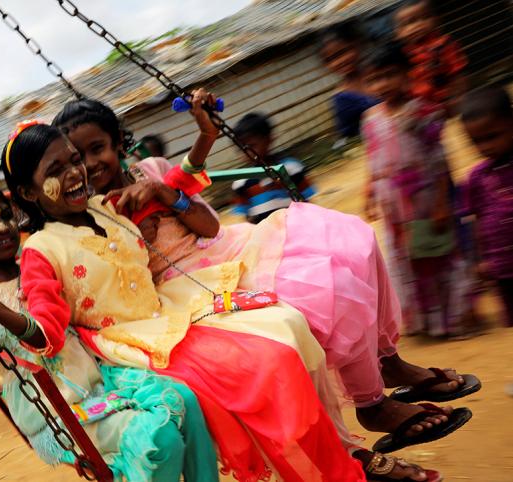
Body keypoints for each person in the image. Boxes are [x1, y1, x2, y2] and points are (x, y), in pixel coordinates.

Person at [53, 93, 478, 457]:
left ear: (117, 144)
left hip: (224, 249)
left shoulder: (154, 171)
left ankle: (389, 361)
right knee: (323, 295)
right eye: (78, 158)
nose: (91, 164)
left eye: (98, 148)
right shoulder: (92, 218)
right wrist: (134, 239)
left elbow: (210, 227)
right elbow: (123, 284)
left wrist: (167, 195)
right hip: (184, 285)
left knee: (354, 240)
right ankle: (371, 404)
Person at [0, 120, 380, 481]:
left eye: (75, 160)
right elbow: (46, 330)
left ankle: (333, 460)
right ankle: (321, 468)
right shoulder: (41, 251)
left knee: (287, 325)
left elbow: (181, 180)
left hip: (170, 312)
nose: (74, 173)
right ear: (29, 193)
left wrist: (203, 136)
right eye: (55, 169)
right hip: (128, 343)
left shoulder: (108, 207)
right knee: (268, 363)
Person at [0, 178, 219, 481]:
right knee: (160, 439)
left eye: (5, 215)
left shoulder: (43, 261)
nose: (1, 228)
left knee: (185, 399)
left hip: (100, 380)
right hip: (54, 412)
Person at [361, 44, 476, 338]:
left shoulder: (424, 111)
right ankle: (421, 320)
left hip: (424, 199)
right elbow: (372, 158)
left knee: (437, 254)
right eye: (375, 79)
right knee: (405, 256)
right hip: (392, 204)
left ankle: (450, 320)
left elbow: (439, 160)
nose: (383, 84)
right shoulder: (370, 119)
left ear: (407, 74)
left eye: (389, 75)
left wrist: (441, 202)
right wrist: (369, 192)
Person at [460, 86, 513, 327]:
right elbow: (476, 221)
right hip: (502, 269)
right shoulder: (477, 178)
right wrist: (479, 259)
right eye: (476, 141)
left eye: (492, 136)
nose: (485, 147)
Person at [231, 112, 317, 223]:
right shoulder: (241, 182)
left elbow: (307, 203)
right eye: (240, 149)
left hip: (296, 227)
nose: (246, 153)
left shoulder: (291, 168)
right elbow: (248, 217)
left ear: (269, 139)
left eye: (251, 146)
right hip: (265, 235)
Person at [394, 0, 468, 114]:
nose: (418, 25)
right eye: (409, 22)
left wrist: (459, 95)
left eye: (425, 18)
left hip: (447, 100)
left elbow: (458, 72)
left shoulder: (445, 44)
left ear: (436, 19)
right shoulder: (401, 54)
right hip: (419, 107)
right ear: (398, 32)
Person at [319, 20, 380, 139]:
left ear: (358, 44)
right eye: (330, 59)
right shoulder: (342, 99)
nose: (338, 61)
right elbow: (349, 135)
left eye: (343, 52)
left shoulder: (383, 71)